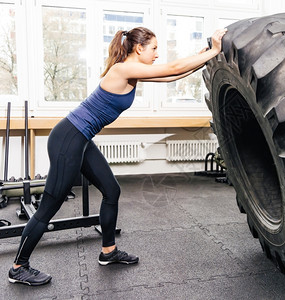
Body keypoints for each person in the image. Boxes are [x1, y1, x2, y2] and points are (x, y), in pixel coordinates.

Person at [8, 26, 227, 286]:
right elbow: (171, 68)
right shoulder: (123, 69)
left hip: (81, 138)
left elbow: (172, 76)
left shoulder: (132, 72)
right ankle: (18, 267)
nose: (157, 54)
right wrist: (213, 50)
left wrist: (206, 56)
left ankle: (108, 252)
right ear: (139, 48)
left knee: (111, 190)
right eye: (154, 49)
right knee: (49, 206)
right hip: (68, 137)